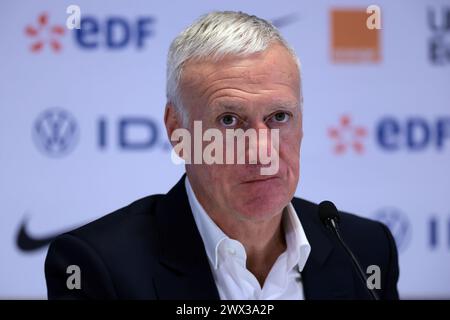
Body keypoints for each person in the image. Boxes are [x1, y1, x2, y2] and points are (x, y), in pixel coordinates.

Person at [45, 11, 399, 300]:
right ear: (177, 131)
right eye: (229, 121)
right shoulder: (97, 265)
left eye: (279, 117)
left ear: (302, 122)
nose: (262, 151)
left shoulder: (363, 250)